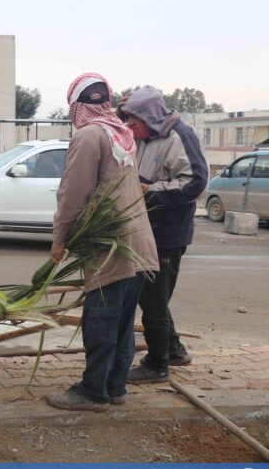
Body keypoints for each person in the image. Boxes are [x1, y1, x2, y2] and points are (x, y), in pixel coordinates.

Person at [46, 73, 159, 412]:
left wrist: (59, 240)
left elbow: (73, 194)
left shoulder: (89, 136)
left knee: (100, 321)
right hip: (139, 246)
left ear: (76, 106)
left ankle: (93, 392)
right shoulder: (122, 134)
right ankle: (115, 386)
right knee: (123, 324)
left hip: (113, 249)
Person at [117, 86, 209, 384]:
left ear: (150, 116)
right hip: (147, 228)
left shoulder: (179, 136)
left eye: (133, 121)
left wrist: (151, 192)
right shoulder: (145, 135)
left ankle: (157, 364)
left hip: (167, 233)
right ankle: (174, 349)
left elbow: (196, 182)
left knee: (153, 300)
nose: (130, 127)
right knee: (153, 297)